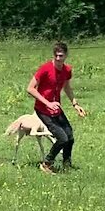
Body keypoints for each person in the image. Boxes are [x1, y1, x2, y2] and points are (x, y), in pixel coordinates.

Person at [26, 41, 86, 174]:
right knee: (62, 138)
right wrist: (47, 103)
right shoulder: (45, 69)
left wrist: (75, 104)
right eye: (56, 56)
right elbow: (30, 88)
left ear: (66, 56)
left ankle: (66, 164)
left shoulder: (67, 70)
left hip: (56, 109)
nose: (58, 58)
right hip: (43, 109)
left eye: (61, 56)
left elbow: (67, 87)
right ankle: (46, 163)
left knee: (70, 137)